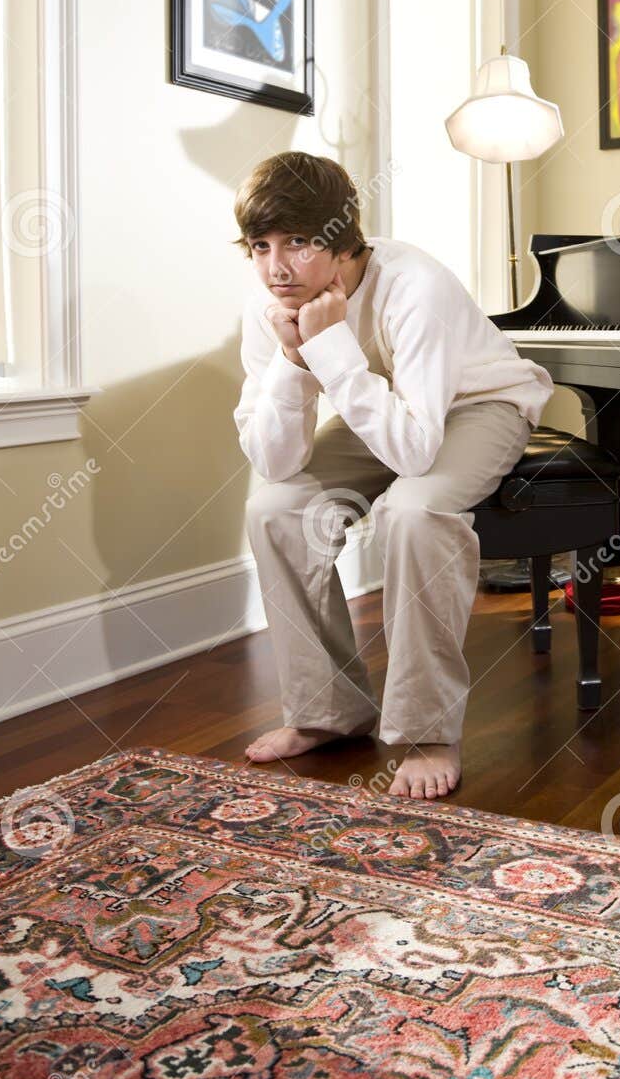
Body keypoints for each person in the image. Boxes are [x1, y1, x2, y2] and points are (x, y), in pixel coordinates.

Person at [232, 151, 553, 800]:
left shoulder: (415, 287)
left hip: (475, 405)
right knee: (273, 509)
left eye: (296, 243)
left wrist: (329, 348)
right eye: (260, 246)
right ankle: (327, 712)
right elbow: (275, 462)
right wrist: (296, 361)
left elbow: (412, 452)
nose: (276, 267)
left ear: (341, 239)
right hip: (381, 411)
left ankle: (428, 730)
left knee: (413, 511)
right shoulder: (272, 305)